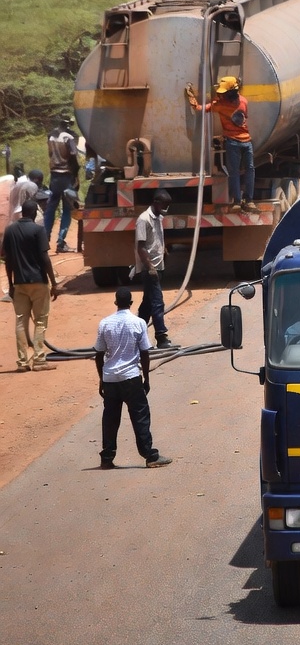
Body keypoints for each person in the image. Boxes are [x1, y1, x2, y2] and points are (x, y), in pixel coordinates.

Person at [94, 287, 172, 469]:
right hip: (131, 377)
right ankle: (150, 455)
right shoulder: (138, 323)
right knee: (140, 416)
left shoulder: (105, 323)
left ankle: (107, 457)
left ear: (115, 303)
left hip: (110, 379)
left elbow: (98, 354)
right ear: (130, 303)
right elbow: (145, 353)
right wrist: (146, 378)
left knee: (110, 419)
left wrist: (102, 380)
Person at [1, 198, 59, 371]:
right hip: (38, 283)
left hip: (19, 283)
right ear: (34, 213)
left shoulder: (10, 230)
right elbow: (44, 258)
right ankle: (39, 360)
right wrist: (53, 282)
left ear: (22, 213)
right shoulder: (38, 230)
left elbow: (7, 260)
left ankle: (22, 362)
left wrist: (11, 284)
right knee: (40, 321)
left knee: (20, 322)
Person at [186, 76, 257, 213]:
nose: (221, 95)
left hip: (239, 142)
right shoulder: (239, 102)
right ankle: (244, 201)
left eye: (223, 93)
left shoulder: (222, 104)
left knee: (240, 171)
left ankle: (242, 201)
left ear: (230, 92)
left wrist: (193, 101)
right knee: (245, 171)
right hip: (241, 141)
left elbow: (200, 108)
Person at [133, 190, 173, 349]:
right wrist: (150, 267)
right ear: (156, 202)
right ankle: (161, 337)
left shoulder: (158, 218)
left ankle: (136, 337)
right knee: (157, 302)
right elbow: (141, 246)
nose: (166, 208)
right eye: (165, 205)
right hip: (150, 269)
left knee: (147, 305)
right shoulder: (143, 219)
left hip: (159, 266)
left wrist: (164, 250)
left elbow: (155, 240)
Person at [43, 114, 79, 252]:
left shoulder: (51, 136)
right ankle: (60, 242)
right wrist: (76, 175)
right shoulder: (68, 137)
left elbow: (50, 155)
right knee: (66, 209)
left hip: (54, 176)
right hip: (67, 176)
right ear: (68, 124)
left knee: (51, 208)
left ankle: (45, 239)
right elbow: (73, 155)